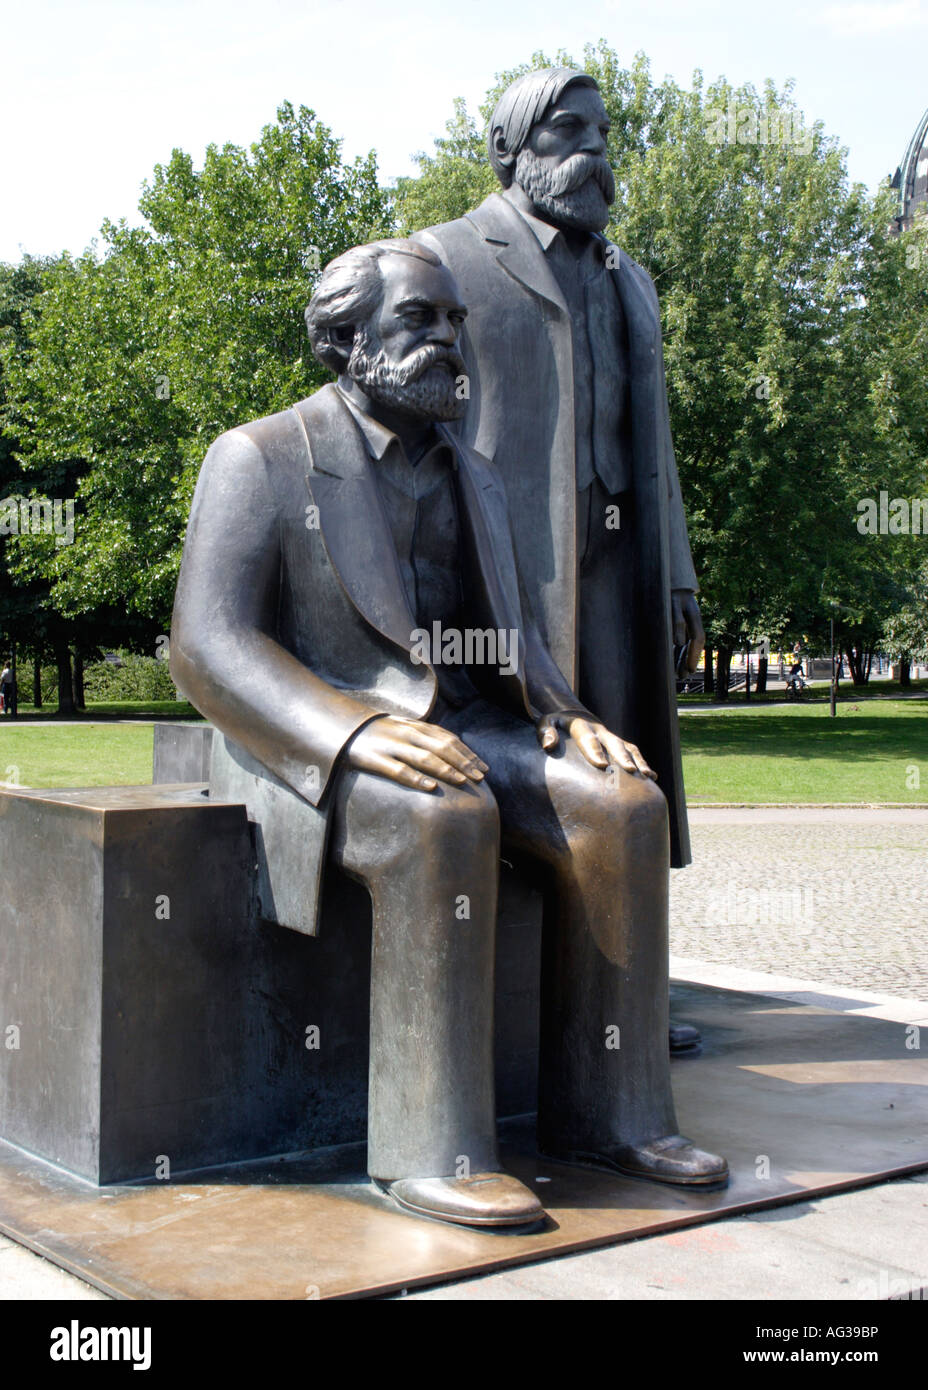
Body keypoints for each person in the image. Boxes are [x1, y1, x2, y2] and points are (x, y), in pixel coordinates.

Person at [170, 239, 728, 1230]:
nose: (448, 339)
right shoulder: (258, 456)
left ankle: (614, 1113)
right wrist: (347, 731)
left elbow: (507, 634)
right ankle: (435, 1149)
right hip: (309, 735)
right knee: (442, 814)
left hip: (469, 725)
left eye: (455, 321)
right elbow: (209, 643)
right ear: (346, 340)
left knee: (623, 805)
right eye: (419, 320)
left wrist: (562, 713)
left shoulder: (476, 473)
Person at [415, 67, 705, 1054]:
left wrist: (675, 576)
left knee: (621, 773)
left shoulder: (627, 278)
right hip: (504, 573)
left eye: (603, 131)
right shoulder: (445, 257)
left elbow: (654, 442)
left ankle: (622, 1003)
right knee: (529, 774)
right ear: (505, 151)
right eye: (565, 131)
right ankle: (512, 1002)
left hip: (620, 564)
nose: (595, 151)